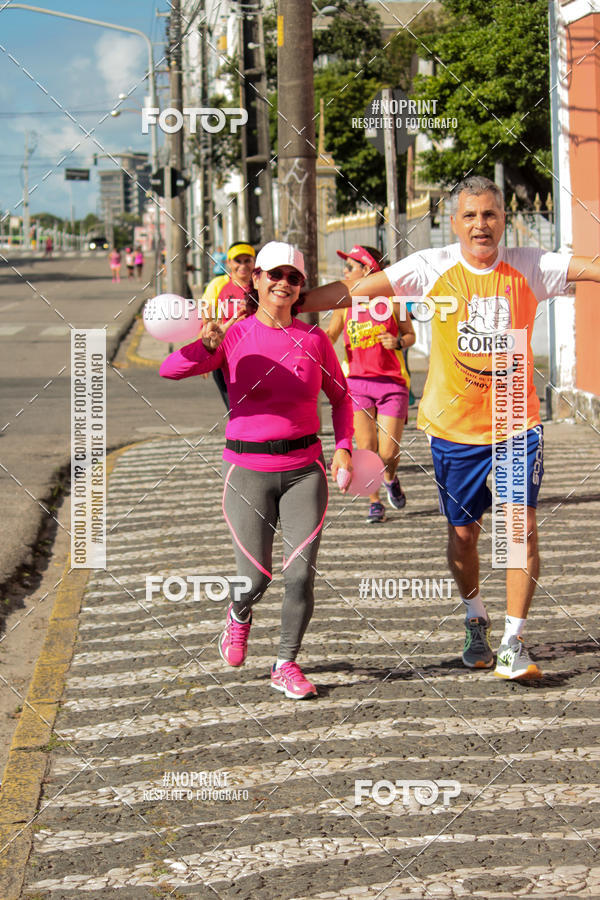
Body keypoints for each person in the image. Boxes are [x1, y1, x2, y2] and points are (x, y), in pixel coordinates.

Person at [299, 174, 600, 681]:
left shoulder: (530, 265)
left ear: (503, 220)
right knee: (464, 535)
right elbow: (355, 290)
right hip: (453, 429)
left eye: (490, 214)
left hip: (515, 421)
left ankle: (513, 642)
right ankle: (475, 617)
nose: (481, 225)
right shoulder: (430, 266)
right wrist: (293, 301)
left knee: (519, 530)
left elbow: (589, 268)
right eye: (471, 216)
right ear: (455, 223)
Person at [160, 241, 354, 699]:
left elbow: (342, 398)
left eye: (294, 277)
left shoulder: (314, 340)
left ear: (301, 287)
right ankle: (239, 612)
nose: (284, 283)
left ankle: (286, 662)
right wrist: (205, 343)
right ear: (258, 279)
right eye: (275, 274)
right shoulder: (234, 334)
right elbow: (170, 370)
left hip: (305, 470)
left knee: (300, 575)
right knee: (255, 578)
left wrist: (344, 448)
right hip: (246, 470)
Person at [327, 244, 415, 523]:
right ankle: (375, 502)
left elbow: (410, 335)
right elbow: (331, 334)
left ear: (367, 269)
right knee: (366, 447)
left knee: (388, 452)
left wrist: (398, 342)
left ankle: (390, 478)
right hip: (357, 384)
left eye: (350, 266)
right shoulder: (345, 303)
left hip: (392, 384)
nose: (344, 271)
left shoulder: (393, 300)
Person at [201, 242, 256, 410]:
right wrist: (205, 356)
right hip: (225, 354)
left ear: (254, 262)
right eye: (238, 261)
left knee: (256, 406)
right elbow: (206, 320)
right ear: (229, 263)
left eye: (247, 260)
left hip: (256, 353)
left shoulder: (262, 285)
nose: (243, 265)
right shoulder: (219, 285)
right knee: (234, 408)